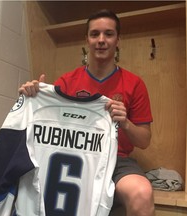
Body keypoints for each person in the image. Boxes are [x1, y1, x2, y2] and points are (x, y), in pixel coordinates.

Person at [19, 9, 155, 216]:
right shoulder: (66, 82)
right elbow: (47, 128)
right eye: (95, 34)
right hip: (74, 155)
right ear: (87, 40)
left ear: (118, 39)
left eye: (108, 34)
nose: (101, 40)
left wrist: (125, 123)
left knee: (142, 194)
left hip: (117, 160)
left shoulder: (134, 84)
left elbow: (144, 140)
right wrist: (35, 95)